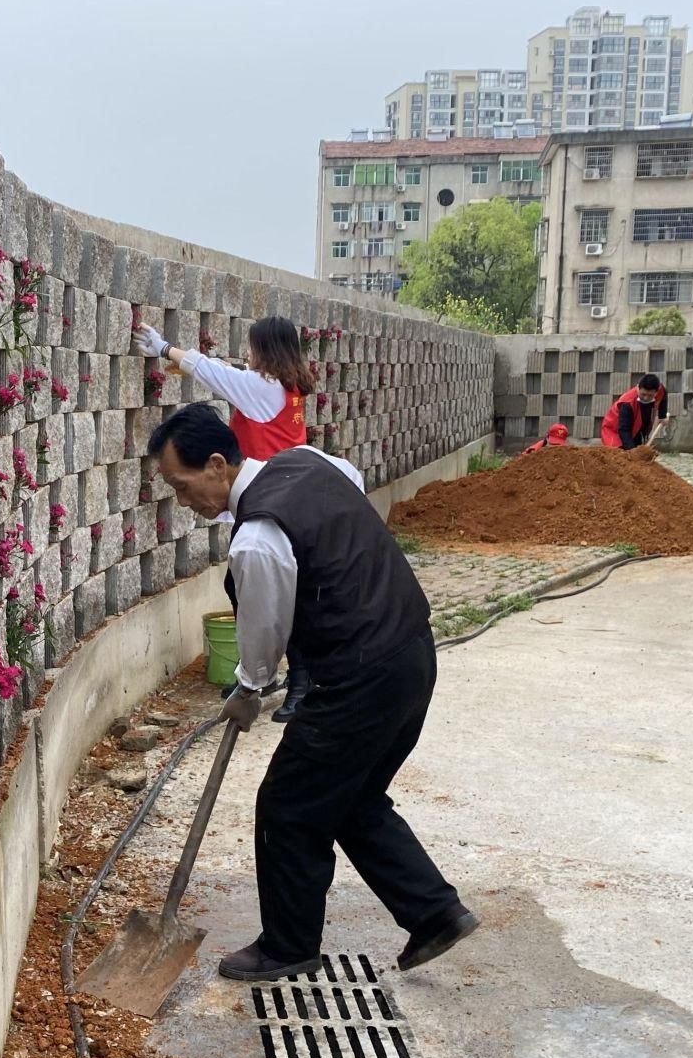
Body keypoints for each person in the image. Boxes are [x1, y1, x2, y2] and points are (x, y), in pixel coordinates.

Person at [146, 402, 478, 980]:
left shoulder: (257, 537)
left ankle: (288, 946)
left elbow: (264, 628)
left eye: (181, 484)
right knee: (349, 798)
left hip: (359, 678)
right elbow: (348, 485)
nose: (182, 499)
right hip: (410, 655)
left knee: (290, 808)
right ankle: (434, 914)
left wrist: (249, 689)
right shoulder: (306, 461)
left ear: (218, 465)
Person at [135, 315, 324, 721]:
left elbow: (216, 373)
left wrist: (164, 348)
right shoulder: (289, 389)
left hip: (271, 502)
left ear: (266, 349)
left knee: (264, 592)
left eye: (253, 347)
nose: (248, 355)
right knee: (263, 589)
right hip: (288, 495)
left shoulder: (262, 388)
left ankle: (298, 680)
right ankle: (270, 675)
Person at [599, 374, 665, 450]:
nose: (646, 398)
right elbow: (624, 430)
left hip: (635, 426)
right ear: (638, 388)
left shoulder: (659, 390)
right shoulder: (627, 403)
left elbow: (663, 395)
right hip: (615, 430)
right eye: (643, 394)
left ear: (656, 392)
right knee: (621, 455)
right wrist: (632, 450)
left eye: (650, 395)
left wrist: (662, 416)